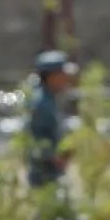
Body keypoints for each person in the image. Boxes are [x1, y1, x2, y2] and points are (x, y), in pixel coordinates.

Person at [23, 49, 78, 190]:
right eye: (63, 75)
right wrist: (56, 158)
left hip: (51, 174)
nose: (66, 79)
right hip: (44, 177)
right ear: (51, 76)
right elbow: (36, 140)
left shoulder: (50, 99)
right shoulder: (41, 103)